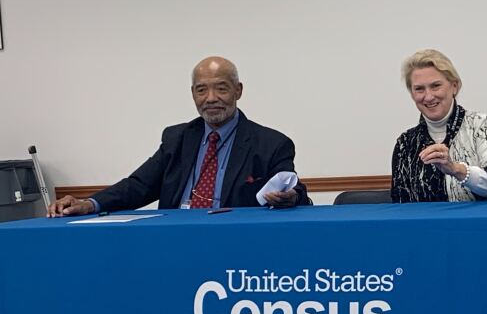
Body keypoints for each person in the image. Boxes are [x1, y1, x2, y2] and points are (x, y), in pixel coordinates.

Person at [48, 56, 309, 216]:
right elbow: (138, 186)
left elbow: (292, 187)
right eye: (201, 90)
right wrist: (89, 203)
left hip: (236, 243)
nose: (211, 99)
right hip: (174, 238)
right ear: (192, 94)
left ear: (238, 91)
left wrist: (292, 196)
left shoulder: (272, 144)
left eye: (221, 88)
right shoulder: (177, 138)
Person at [391, 49, 487, 202]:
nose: (429, 96)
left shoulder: (484, 125)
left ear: (454, 86)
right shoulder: (405, 143)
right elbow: (400, 206)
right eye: (419, 89)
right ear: (412, 94)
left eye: (436, 86)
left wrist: (455, 169)